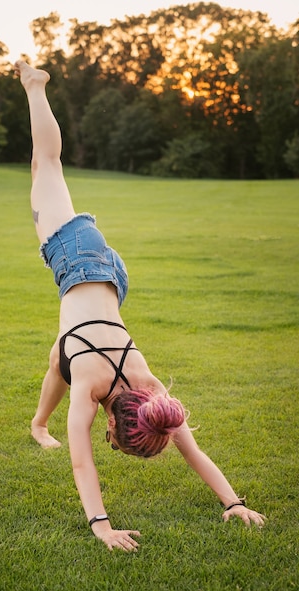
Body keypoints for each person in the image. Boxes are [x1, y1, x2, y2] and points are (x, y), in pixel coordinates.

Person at [15, 60, 266, 552]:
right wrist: (101, 526)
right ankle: (34, 85)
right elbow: (82, 461)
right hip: (79, 258)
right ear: (113, 420)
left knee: (57, 356)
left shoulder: (153, 391)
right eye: (114, 438)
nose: (105, 441)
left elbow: (192, 451)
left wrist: (234, 502)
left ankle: (38, 424)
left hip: (111, 276)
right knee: (48, 164)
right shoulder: (89, 387)